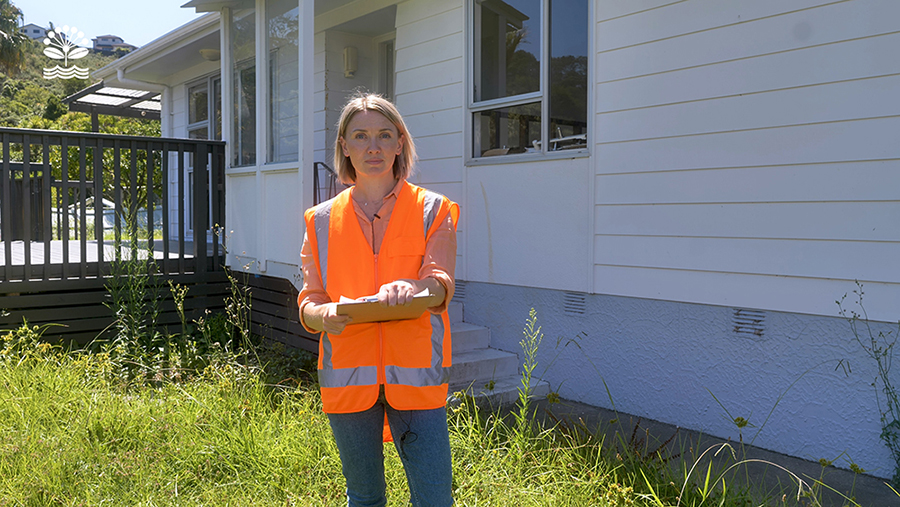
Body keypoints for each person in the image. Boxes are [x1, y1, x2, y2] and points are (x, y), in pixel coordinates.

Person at [297, 93, 458, 507]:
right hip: (348, 381)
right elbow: (310, 301)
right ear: (344, 146)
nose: (373, 147)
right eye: (361, 136)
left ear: (400, 143)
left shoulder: (432, 209)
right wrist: (322, 314)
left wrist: (415, 289)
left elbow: (440, 284)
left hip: (416, 380)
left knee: (435, 499)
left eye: (385, 135)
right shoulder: (319, 221)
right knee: (365, 497)